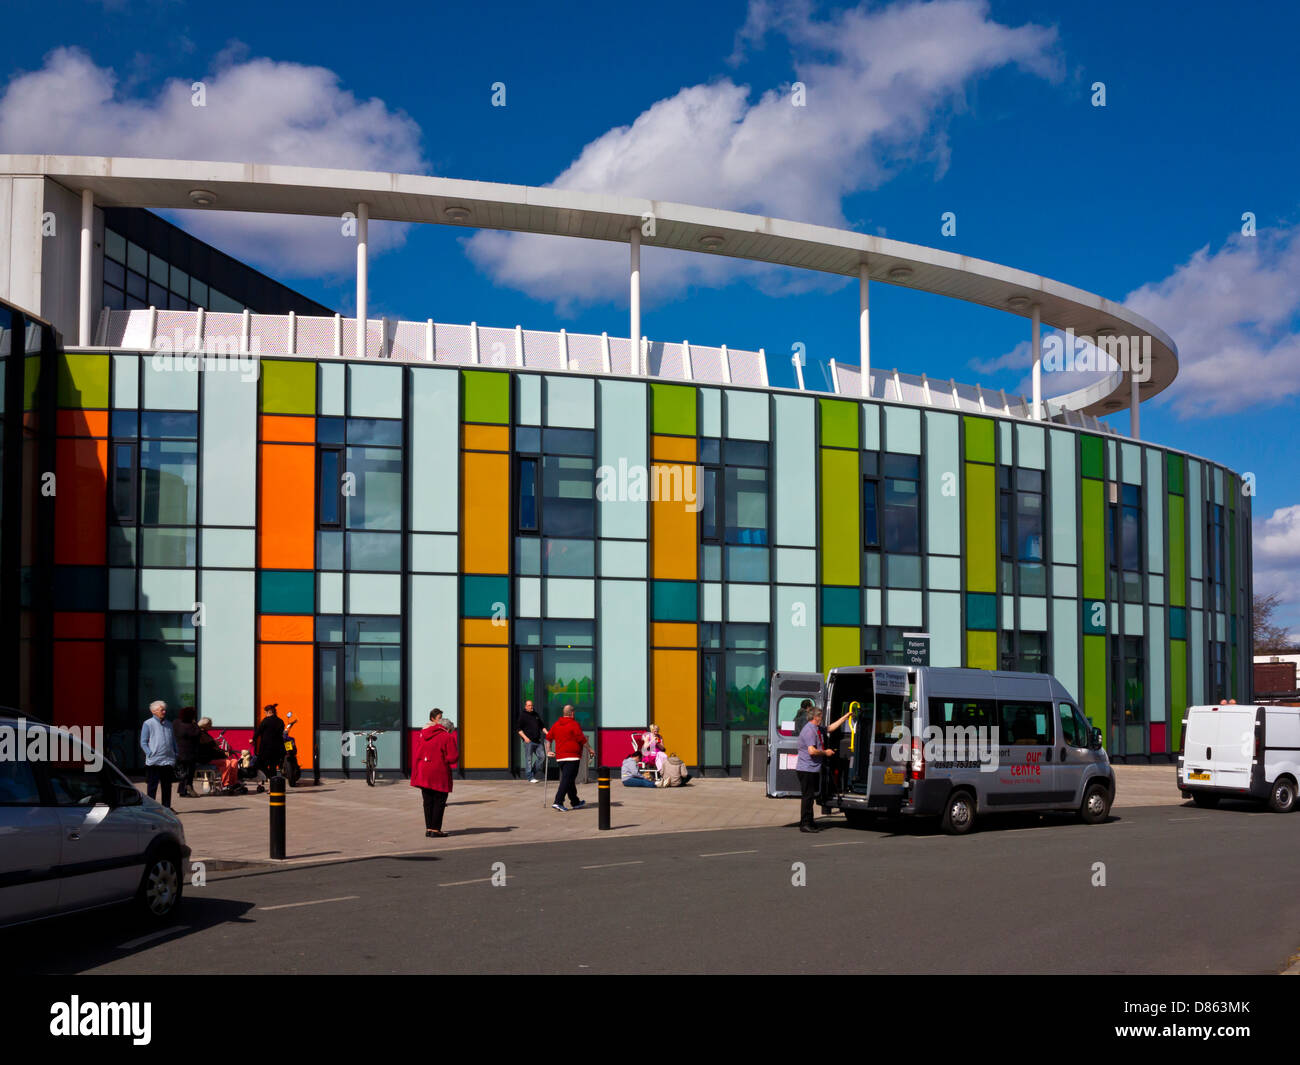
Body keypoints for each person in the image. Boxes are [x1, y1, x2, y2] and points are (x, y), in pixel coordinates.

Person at [410, 708, 459, 837]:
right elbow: (453, 757)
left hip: (423, 771)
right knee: (439, 801)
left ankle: (429, 828)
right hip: (439, 772)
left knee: (427, 801)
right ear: (448, 729)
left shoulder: (424, 734)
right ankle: (436, 830)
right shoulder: (447, 737)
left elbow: (419, 752)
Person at [795, 707, 835, 832]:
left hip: (812, 769)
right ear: (815, 717)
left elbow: (830, 728)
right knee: (807, 797)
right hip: (806, 769)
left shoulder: (816, 729)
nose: (821, 718)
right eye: (820, 716)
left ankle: (810, 822)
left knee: (810, 796)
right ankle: (805, 824)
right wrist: (825, 752)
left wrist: (845, 717)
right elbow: (812, 751)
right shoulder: (809, 731)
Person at [548, 705, 589, 812]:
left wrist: (548, 750)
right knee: (566, 780)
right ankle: (558, 801)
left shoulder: (556, 725)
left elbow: (548, 738)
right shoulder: (574, 724)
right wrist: (590, 749)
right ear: (572, 713)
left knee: (569, 780)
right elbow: (581, 739)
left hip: (560, 758)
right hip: (572, 757)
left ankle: (575, 802)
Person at [139, 700, 177, 808]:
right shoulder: (148, 723)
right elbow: (143, 742)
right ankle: (151, 807)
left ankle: (166, 807)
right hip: (154, 761)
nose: (164, 712)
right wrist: (150, 753)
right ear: (154, 711)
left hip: (168, 760)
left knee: (167, 786)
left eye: (164, 710)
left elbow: (173, 740)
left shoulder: (169, 724)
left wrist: (176, 753)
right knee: (152, 786)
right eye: (162, 710)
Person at [196, 717, 241, 792]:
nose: (211, 726)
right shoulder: (200, 734)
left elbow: (214, 748)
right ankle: (225, 784)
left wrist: (223, 752)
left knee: (234, 761)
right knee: (227, 762)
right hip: (206, 759)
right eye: (210, 725)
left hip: (213, 757)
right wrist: (216, 745)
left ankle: (233, 783)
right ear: (205, 725)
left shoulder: (206, 735)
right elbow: (207, 748)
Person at [516, 699, 549, 783]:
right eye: (529, 705)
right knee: (529, 759)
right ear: (526, 706)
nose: (531, 707)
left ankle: (532, 773)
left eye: (532, 705)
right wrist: (525, 738)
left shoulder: (535, 715)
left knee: (542, 757)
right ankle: (530, 777)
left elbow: (542, 726)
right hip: (529, 742)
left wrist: (548, 733)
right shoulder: (523, 716)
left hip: (537, 741)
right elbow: (518, 729)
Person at [254, 703, 287, 780]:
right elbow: (281, 732)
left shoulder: (266, 721)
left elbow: (259, 731)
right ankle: (272, 786)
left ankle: (269, 777)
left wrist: (253, 739)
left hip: (266, 748)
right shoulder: (280, 721)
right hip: (277, 748)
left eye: (265, 712)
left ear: (269, 711)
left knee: (259, 764)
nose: (265, 714)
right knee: (273, 767)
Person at [173, 705, 200, 797]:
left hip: (179, 751)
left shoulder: (176, 723)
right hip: (190, 752)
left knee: (182, 772)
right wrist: (195, 724)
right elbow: (197, 734)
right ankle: (188, 787)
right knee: (189, 772)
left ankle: (182, 790)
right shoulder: (192, 726)